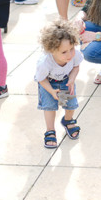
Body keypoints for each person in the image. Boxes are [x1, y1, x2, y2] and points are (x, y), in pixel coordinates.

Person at [35, 19, 82, 148]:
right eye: (64, 52)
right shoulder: (45, 62)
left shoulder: (74, 55)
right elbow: (41, 79)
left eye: (71, 49)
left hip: (66, 81)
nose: (69, 55)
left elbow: (76, 67)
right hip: (48, 83)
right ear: (51, 50)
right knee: (50, 107)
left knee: (70, 105)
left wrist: (72, 79)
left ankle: (67, 121)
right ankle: (50, 130)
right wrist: (51, 91)